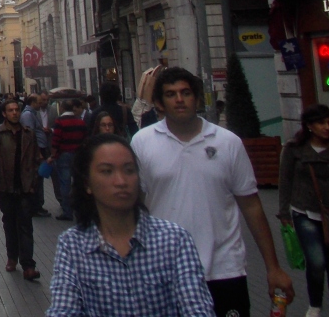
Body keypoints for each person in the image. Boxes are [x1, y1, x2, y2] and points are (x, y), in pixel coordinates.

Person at [131, 67, 295, 316]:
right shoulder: (142, 142)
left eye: (185, 93)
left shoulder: (228, 142)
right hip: (163, 270)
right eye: (171, 94)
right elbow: (135, 206)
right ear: (159, 103)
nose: (179, 99)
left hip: (224, 270)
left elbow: (251, 206)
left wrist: (273, 267)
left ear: (196, 98)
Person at [46, 133, 215, 316]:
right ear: (87, 184)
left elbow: (197, 308)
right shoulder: (72, 245)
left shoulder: (174, 240)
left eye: (129, 170)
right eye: (107, 171)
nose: (121, 181)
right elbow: (63, 309)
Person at [279, 104, 329, 317]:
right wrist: (283, 212)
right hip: (304, 212)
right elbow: (285, 180)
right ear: (310, 126)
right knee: (317, 260)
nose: (327, 127)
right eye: (322, 123)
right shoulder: (295, 148)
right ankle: (315, 305)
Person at [0, 99, 41, 280]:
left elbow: (34, 159)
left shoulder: (28, 134)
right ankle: (12, 256)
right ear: (4, 114)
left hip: (25, 186)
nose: (15, 113)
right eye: (11, 110)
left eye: (17, 110)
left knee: (25, 225)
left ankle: (28, 264)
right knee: (9, 223)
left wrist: (34, 181)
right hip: (6, 186)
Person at [48, 99, 87, 221]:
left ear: (63, 108)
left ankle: (67, 211)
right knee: (78, 182)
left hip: (63, 154)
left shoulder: (60, 121)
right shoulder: (80, 121)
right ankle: (80, 209)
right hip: (78, 155)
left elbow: (56, 140)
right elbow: (85, 139)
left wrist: (53, 155)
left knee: (65, 184)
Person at [21, 94, 52, 217]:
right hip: (37, 150)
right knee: (36, 179)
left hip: (40, 148)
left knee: (39, 178)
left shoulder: (32, 113)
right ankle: (35, 206)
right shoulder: (28, 115)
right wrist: (37, 152)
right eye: (39, 102)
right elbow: (30, 135)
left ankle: (38, 204)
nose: (41, 105)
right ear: (33, 102)